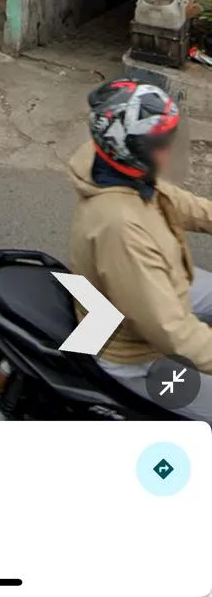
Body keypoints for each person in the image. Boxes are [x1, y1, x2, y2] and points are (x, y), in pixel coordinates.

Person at [69, 78, 212, 421]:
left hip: (157, 284)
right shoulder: (121, 227)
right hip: (132, 352)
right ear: (128, 148)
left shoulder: (121, 171)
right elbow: (171, 332)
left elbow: (183, 204)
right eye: (160, 143)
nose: (169, 149)